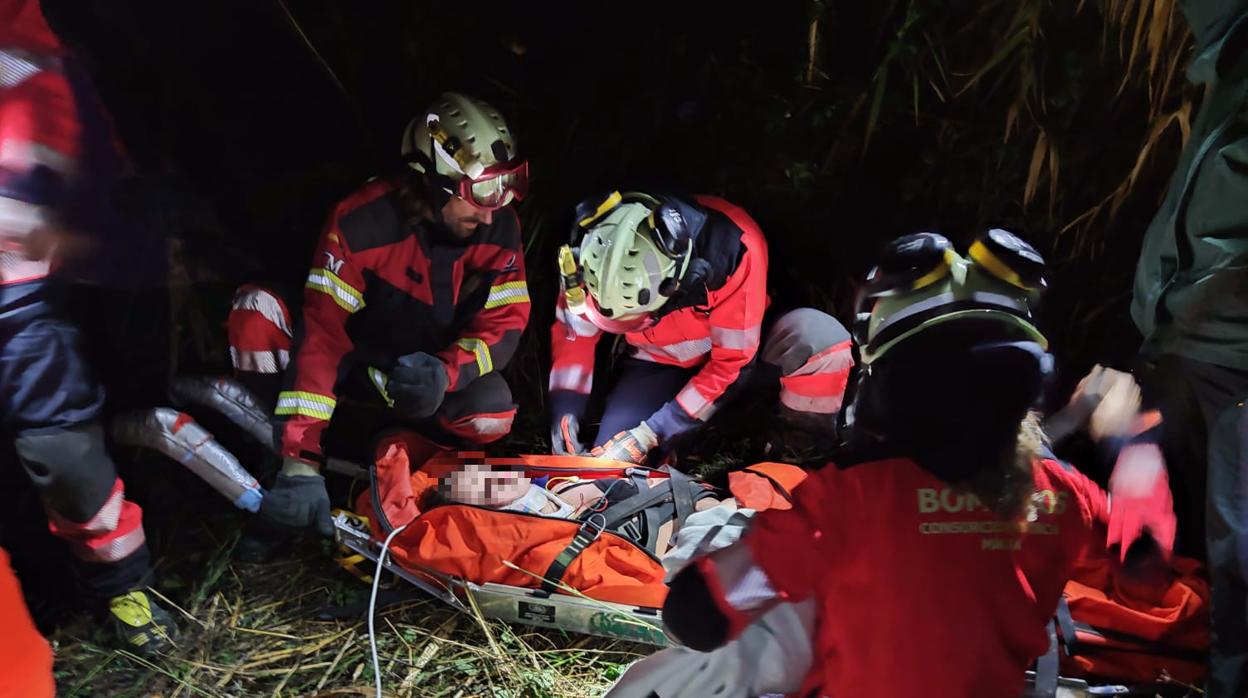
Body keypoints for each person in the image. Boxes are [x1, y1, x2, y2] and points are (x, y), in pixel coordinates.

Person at [661, 231, 1176, 697]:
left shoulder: (851, 499)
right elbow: (1146, 567)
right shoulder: (1060, 494)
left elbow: (702, 612)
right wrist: (1131, 442)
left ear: (885, 385)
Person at [239, 92, 531, 538]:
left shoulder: (501, 227)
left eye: (507, 185)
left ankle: (420, 475)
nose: (492, 210)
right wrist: (299, 462)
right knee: (255, 313)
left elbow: (505, 321)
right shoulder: (363, 222)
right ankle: (275, 467)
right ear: (433, 182)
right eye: (481, 192)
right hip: (355, 363)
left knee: (492, 411)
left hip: (419, 380)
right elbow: (323, 336)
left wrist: (445, 372)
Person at [0, 0, 174, 654]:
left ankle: (123, 590)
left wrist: (98, 234)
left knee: (65, 454)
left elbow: (102, 176)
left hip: (20, 303)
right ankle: (33, 602)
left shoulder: (32, 55)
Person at [548, 190, 852, 466]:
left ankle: (798, 457)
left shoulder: (733, 250)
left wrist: (654, 431)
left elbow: (731, 367)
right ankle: (680, 449)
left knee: (818, 338)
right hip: (660, 362)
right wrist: (566, 406)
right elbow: (574, 335)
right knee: (612, 465)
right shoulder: (596, 251)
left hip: (750, 357)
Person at [1129, 2, 1248, 692]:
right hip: (1185, 344)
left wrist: (1201, 293)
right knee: (1162, 534)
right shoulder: (1230, 67)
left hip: (1232, 356)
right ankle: (1169, 664)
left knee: (1239, 555)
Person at [431, 460, 728, 557]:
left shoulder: (564, 488)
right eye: (488, 490)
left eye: (489, 473)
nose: (499, 479)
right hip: (695, 546)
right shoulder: (546, 544)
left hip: (705, 517)